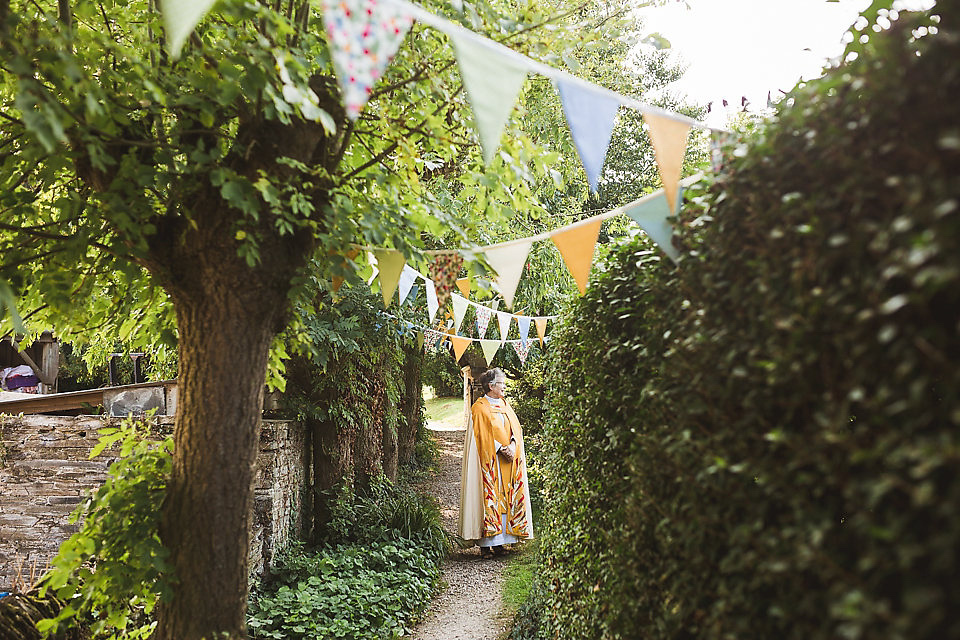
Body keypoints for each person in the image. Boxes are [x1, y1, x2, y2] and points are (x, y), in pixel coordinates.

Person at [458, 367, 534, 558]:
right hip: (489, 461)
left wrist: (513, 446)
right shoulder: (480, 408)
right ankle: (485, 545)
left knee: (506, 497)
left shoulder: (505, 405)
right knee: (489, 498)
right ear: (491, 386)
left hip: (508, 461)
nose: (504, 387)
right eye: (502, 383)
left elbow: (516, 430)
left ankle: (501, 542)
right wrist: (500, 447)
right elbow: (479, 436)